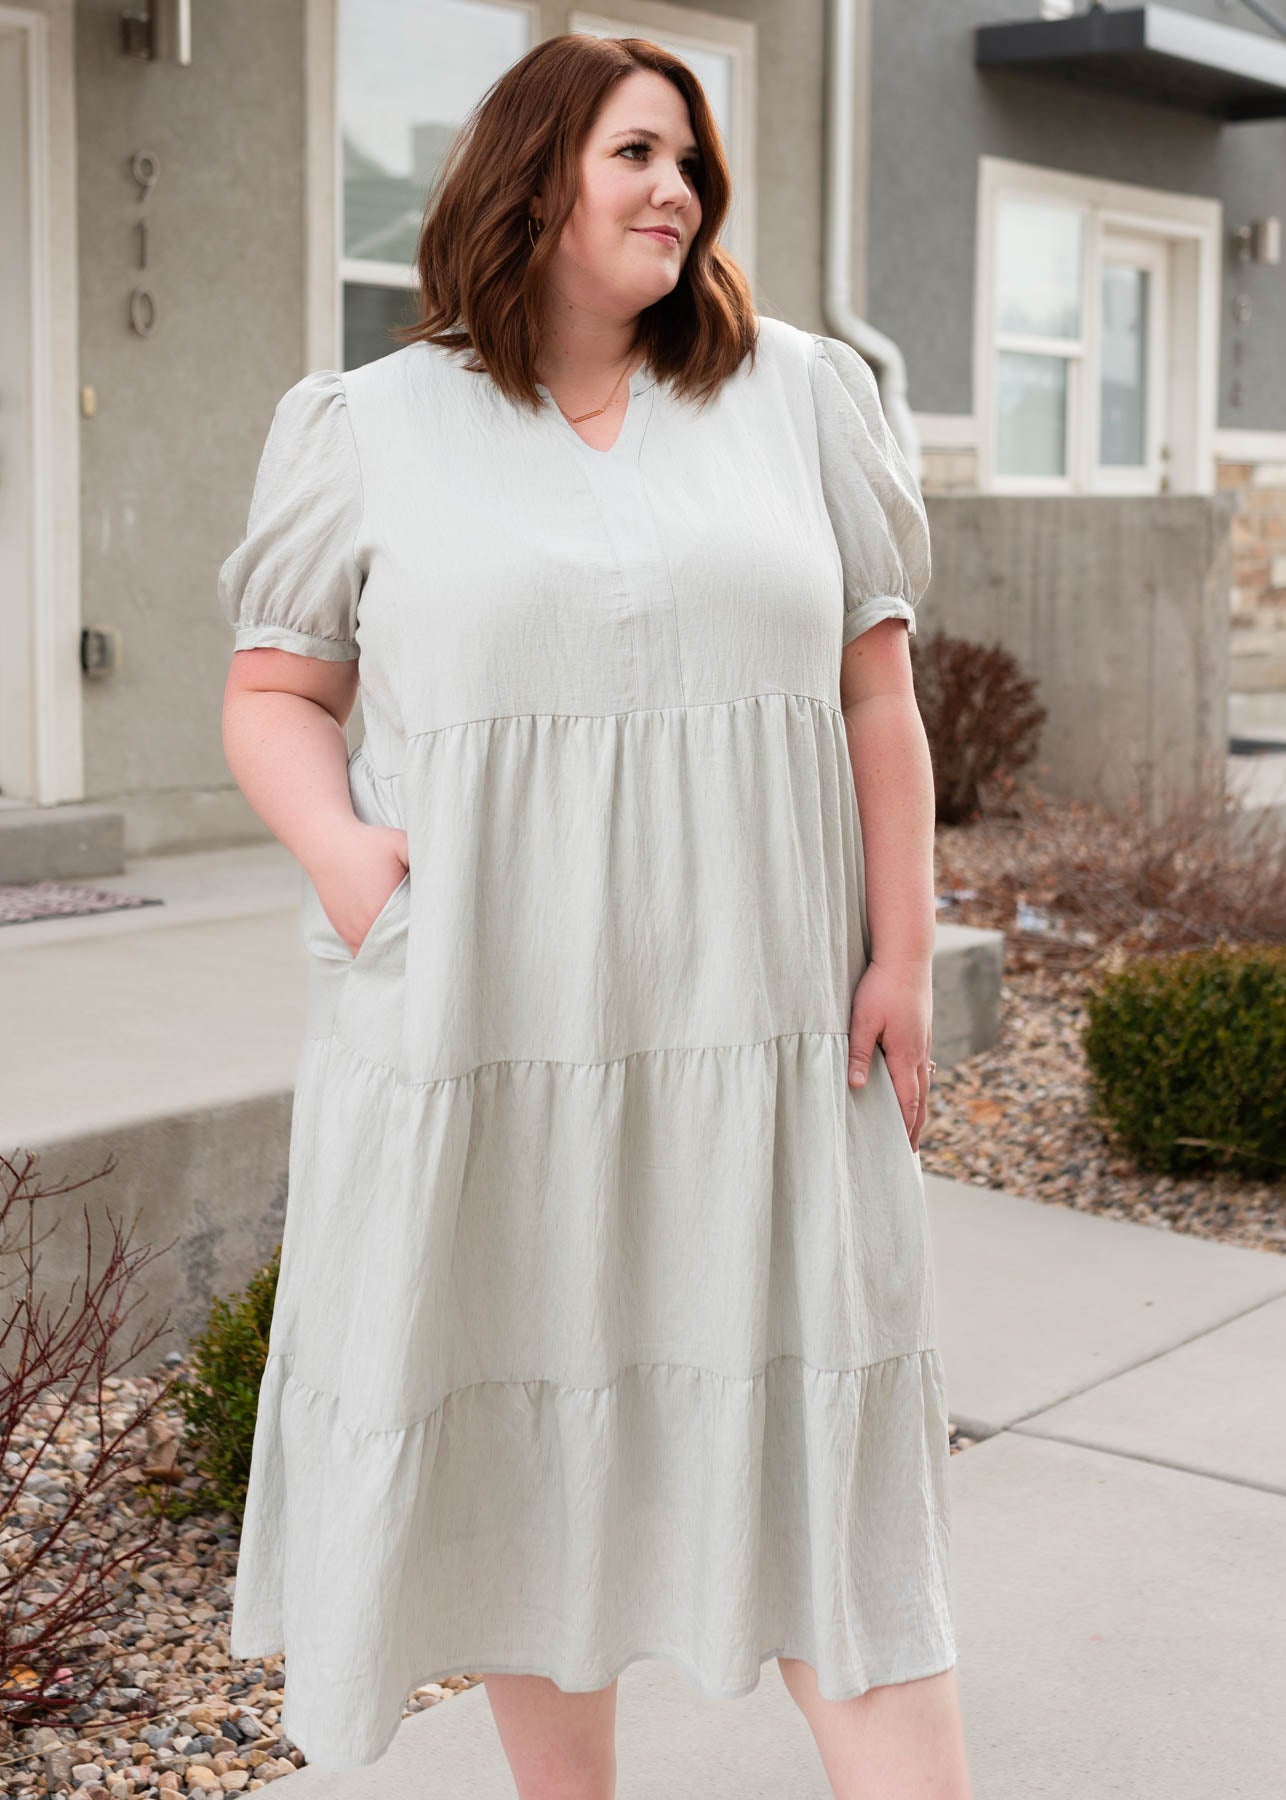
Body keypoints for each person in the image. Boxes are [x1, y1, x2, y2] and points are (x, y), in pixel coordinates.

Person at [217, 30, 974, 1800]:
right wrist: (349, 860)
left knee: (836, 1466)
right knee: (527, 1437)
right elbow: (271, 694)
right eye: (639, 153)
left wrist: (899, 951)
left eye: (692, 164)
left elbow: (879, 699)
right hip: (492, 1029)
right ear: (532, 173)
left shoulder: (796, 392)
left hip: (765, 1032)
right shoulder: (368, 426)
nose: (677, 191)